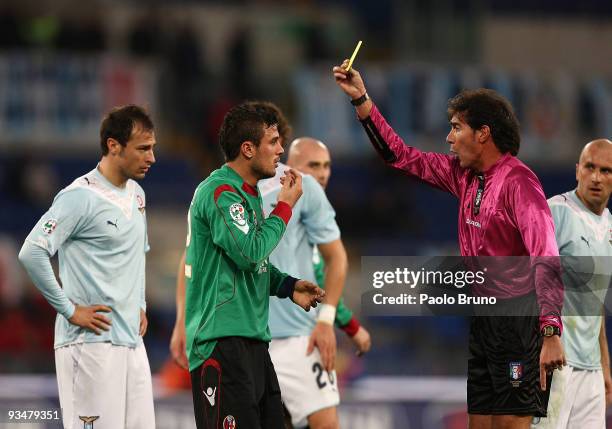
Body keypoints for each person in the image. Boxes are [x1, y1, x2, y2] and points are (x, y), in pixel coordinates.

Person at [333, 61, 565, 429]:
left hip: (520, 325)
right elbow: (399, 156)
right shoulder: (464, 176)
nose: (449, 137)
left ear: (483, 134)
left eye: (456, 128)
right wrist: (361, 100)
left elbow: (546, 255)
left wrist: (551, 331)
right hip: (484, 321)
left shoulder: (520, 183)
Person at [184, 101, 325, 429]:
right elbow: (249, 253)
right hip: (221, 344)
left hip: (253, 342)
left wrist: (288, 286)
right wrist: (285, 207)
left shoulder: (246, 195)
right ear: (248, 149)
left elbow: (253, 262)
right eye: (273, 142)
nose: (281, 149)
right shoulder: (221, 193)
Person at [18, 105, 157, 429]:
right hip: (90, 344)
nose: (151, 158)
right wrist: (69, 309)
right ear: (113, 145)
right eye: (143, 149)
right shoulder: (78, 197)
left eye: (153, 148)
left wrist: (140, 303)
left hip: (131, 344)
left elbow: (139, 254)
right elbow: (31, 252)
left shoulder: (137, 194)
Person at [263, 137, 371, 429]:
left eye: (326, 166)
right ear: (288, 167)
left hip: (297, 336)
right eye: (313, 166)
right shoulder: (286, 192)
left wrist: (344, 325)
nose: (321, 173)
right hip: (259, 335)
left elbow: (323, 280)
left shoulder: (310, 220)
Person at [534, 139, 612, 429]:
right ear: (577, 169)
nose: (596, 177)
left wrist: (604, 365)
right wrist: (544, 340)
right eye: (590, 167)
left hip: (590, 374)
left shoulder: (609, 226)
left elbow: (597, 300)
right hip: (554, 365)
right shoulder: (554, 212)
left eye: (606, 171)